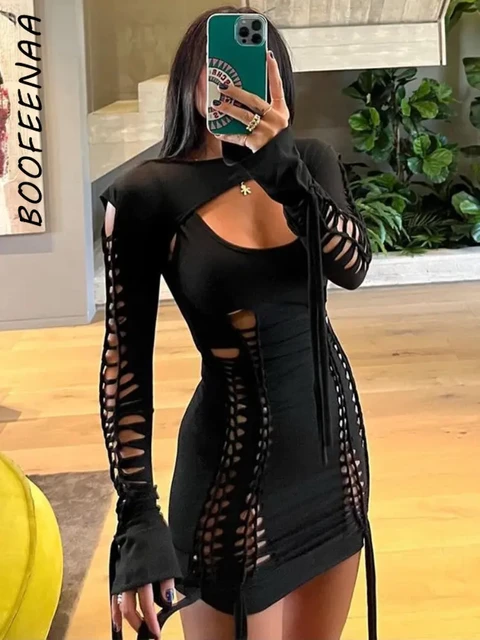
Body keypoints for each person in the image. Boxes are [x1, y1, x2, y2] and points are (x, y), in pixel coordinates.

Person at [99, 6, 376, 640]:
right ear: (189, 76)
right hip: (232, 482)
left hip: (335, 465)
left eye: (254, 65)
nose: (232, 80)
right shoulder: (146, 195)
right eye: (218, 63)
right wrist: (138, 513)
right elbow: (124, 365)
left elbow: (353, 265)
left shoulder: (308, 161)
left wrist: (283, 168)